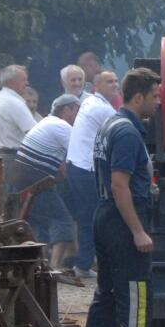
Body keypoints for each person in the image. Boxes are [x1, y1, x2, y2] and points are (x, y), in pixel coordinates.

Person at [79, 68, 165, 327]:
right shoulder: (127, 132)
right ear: (138, 97)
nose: (157, 103)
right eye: (154, 97)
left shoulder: (110, 125)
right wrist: (138, 230)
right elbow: (119, 184)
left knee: (107, 294)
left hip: (105, 218)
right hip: (124, 223)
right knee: (136, 298)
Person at [8, 95, 81, 269]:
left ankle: (40, 265)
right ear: (66, 110)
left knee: (39, 225)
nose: (79, 116)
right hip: (36, 181)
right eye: (77, 111)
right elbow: (80, 154)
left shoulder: (47, 122)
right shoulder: (62, 127)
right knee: (62, 219)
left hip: (24, 178)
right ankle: (54, 266)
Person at [65, 70, 119, 278]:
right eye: (109, 81)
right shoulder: (102, 110)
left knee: (87, 217)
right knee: (93, 217)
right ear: (97, 86)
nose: (115, 85)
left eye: (116, 81)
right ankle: (85, 265)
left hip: (77, 166)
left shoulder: (91, 102)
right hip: (85, 169)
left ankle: (85, 263)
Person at [0, 65, 36, 153]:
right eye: (23, 80)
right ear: (11, 82)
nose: (27, 83)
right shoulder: (14, 102)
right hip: (11, 157)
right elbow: (35, 133)